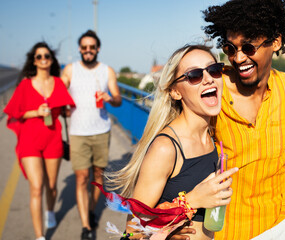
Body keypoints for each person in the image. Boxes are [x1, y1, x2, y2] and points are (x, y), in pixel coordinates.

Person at [189, 1, 285, 239]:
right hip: (228, 228)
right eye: (230, 48)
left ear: (276, 41)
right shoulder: (213, 88)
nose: (238, 58)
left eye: (248, 47)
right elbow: (181, 142)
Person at [104, 44, 239, 240]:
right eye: (194, 75)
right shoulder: (166, 148)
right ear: (176, 92)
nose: (209, 79)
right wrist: (191, 201)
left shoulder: (212, 137)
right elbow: (133, 232)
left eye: (214, 70)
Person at [3, 42, 75, 240]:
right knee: (36, 187)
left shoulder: (58, 83)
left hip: (53, 139)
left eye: (47, 56)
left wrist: (66, 110)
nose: (43, 59)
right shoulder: (26, 84)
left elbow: (65, 108)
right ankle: (39, 236)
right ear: (34, 61)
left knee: (51, 186)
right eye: (39, 56)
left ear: (51, 60)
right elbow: (15, 112)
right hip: (29, 140)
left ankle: (50, 211)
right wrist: (36, 111)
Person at [61, 29, 122, 240]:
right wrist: (63, 106)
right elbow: (60, 93)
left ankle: (90, 210)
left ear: (97, 49)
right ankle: (86, 227)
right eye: (84, 47)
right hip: (77, 132)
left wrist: (110, 97)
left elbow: (118, 99)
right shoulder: (70, 69)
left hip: (101, 131)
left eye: (92, 47)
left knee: (97, 177)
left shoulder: (107, 71)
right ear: (80, 49)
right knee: (81, 178)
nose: (88, 50)